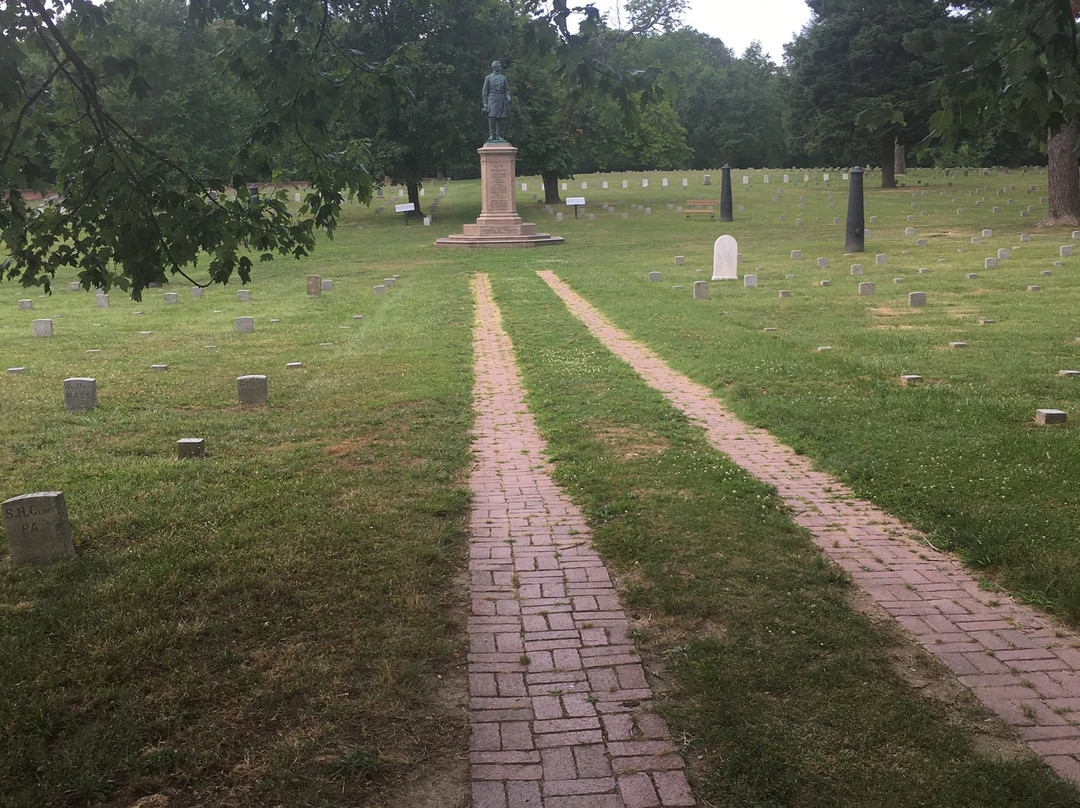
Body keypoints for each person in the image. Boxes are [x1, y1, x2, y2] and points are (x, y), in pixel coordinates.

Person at [482, 61, 511, 141]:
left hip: (501, 99)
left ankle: (499, 135)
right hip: (492, 98)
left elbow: (507, 90)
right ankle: (492, 134)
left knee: (501, 117)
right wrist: (485, 103)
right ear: (494, 67)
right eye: (499, 66)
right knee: (491, 116)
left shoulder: (503, 78)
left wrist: (508, 96)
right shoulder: (488, 78)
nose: (500, 68)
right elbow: (485, 92)